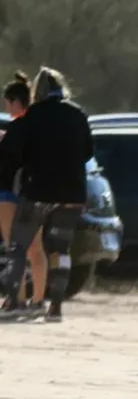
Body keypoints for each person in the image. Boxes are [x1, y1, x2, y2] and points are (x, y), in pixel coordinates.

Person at [0, 67, 93, 322]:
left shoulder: (33, 116)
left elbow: (11, 151)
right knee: (60, 251)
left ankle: (14, 303)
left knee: (18, 246)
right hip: (73, 194)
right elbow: (87, 153)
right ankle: (54, 308)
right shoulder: (78, 115)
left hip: (38, 192)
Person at [0, 71, 47, 314]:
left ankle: (15, 299)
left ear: (15, 102)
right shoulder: (40, 127)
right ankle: (38, 300)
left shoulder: (17, 128)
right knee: (35, 248)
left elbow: (6, 160)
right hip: (36, 193)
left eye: (7, 103)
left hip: (10, 193)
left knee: (13, 247)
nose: (7, 108)